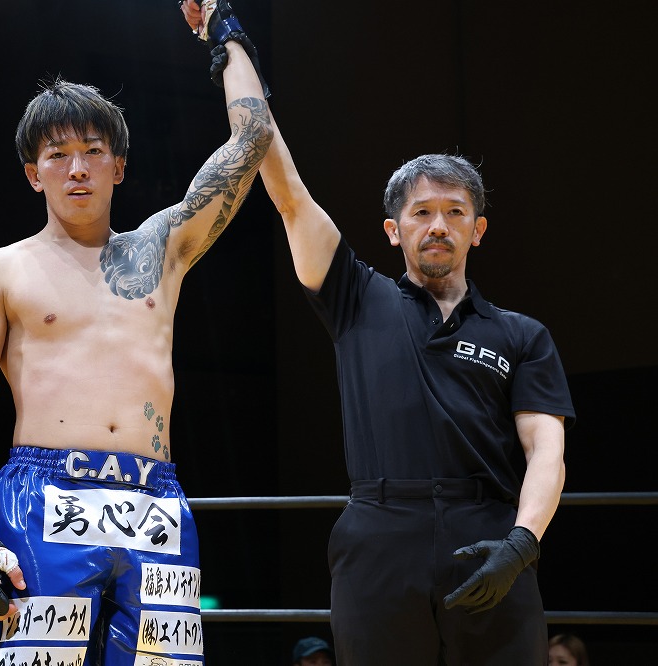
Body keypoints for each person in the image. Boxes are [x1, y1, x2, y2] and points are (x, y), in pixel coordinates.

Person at [179, 3, 575, 664]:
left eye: (455, 212)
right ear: (393, 230)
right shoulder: (356, 298)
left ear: (477, 230)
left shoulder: (521, 335)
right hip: (378, 534)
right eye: (421, 212)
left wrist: (522, 542)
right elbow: (284, 186)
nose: (438, 226)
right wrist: (229, 41)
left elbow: (546, 451)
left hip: (490, 531)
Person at [0, 2, 273, 664]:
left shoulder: (161, 251)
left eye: (93, 152)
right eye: (57, 155)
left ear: (119, 166)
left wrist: (223, 30)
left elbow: (252, 139)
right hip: (41, 497)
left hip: (155, 499)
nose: (77, 169)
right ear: (33, 173)